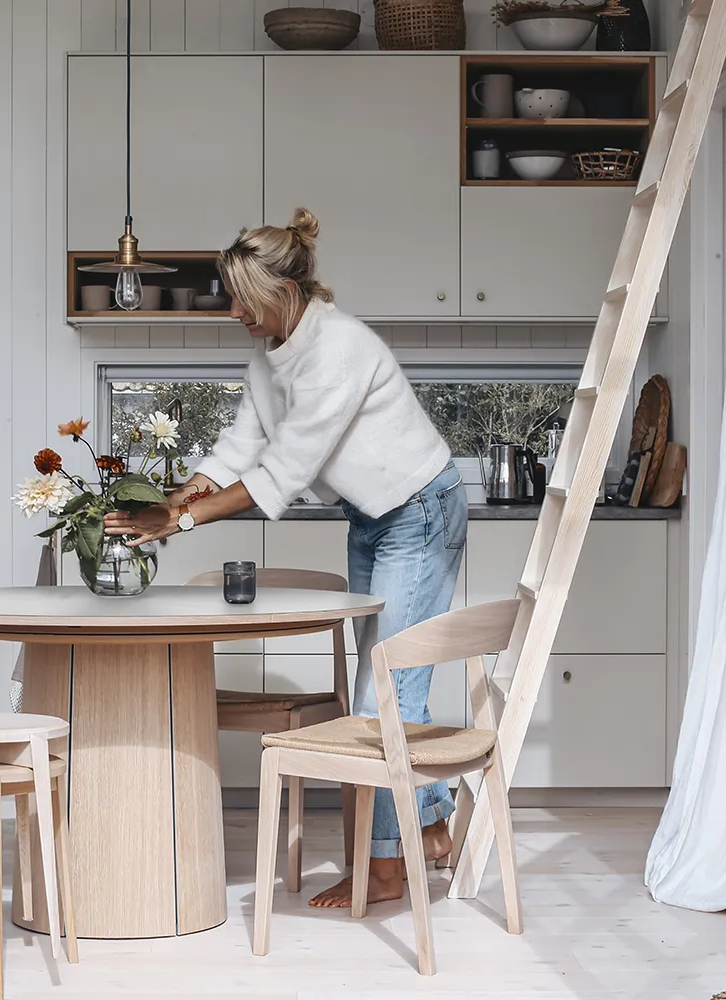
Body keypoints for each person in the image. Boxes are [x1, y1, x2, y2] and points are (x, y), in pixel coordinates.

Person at [104, 208, 468, 908]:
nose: (233, 310)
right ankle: (431, 830)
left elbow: (284, 470)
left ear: (285, 290)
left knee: (385, 693)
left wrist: (177, 519)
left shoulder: (340, 350)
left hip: (419, 510)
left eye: (243, 296)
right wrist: (180, 493)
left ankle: (386, 869)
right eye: (229, 295)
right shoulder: (272, 354)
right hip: (373, 513)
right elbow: (243, 446)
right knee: (385, 681)